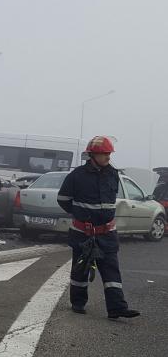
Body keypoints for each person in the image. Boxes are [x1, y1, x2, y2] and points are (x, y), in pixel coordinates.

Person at [57, 136, 140, 319]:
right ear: (93, 155)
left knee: (111, 270)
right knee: (80, 270)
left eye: (109, 154)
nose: (108, 157)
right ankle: (78, 303)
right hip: (82, 233)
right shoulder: (77, 175)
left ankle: (117, 308)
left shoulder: (113, 174)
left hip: (107, 233)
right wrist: (80, 215)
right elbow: (63, 199)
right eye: (105, 154)